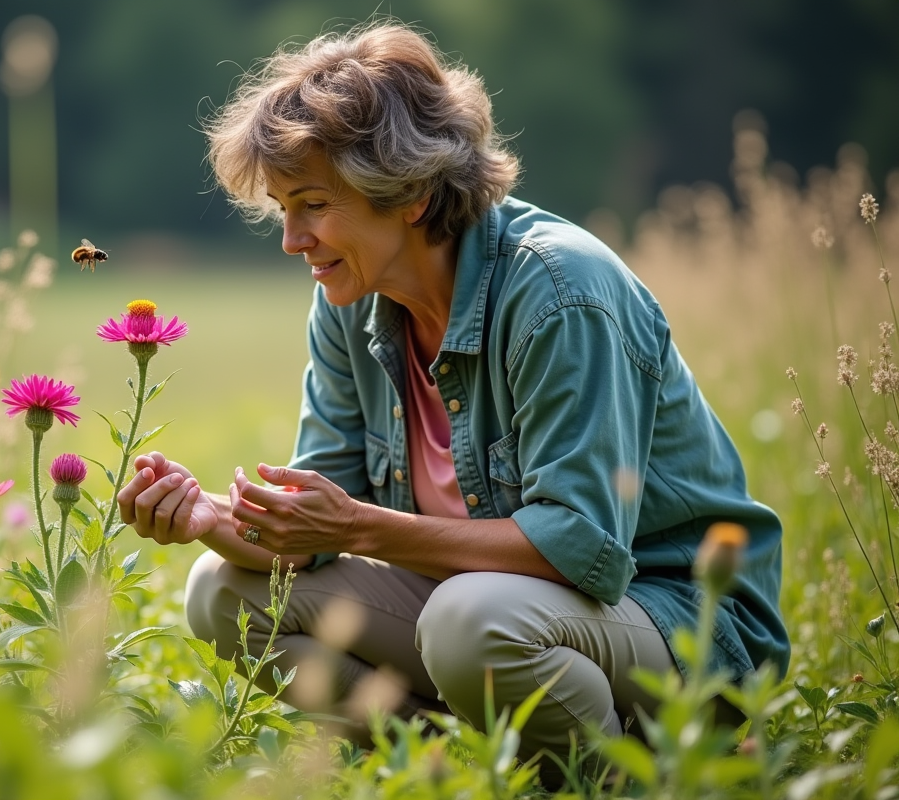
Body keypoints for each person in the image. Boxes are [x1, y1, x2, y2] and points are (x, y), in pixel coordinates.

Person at [115, 21, 789, 768]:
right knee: (224, 594)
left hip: (676, 625)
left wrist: (363, 528)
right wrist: (210, 518)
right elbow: (317, 528)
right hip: (494, 618)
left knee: (469, 621)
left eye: (312, 204)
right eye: (283, 209)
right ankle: (448, 769)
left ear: (406, 193)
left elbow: (581, 552)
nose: (291, 239)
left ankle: (620, 778)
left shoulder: (563, 294)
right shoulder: (350, 300)